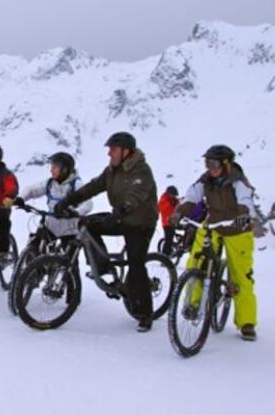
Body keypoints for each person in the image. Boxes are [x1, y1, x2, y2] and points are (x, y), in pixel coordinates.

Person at [56, 132, 159, 332]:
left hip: (140, 223)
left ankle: (145, 314)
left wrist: (123, 209)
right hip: (120, 217)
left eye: (112, 149)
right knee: (86, 225)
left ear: (125, 151)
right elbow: (92, 187)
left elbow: (136, 195)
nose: (109, 154)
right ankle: (102, 269)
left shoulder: (141, 170)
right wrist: (68, 200)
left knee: (136, 266)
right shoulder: (112, 170)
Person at [172, 144, 259, 341]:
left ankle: (246, 322)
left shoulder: (238, 182)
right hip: (213, 226)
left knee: (241, 276)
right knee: (196, 261)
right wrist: (179, 212)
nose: (209, 168)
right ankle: (193, 304)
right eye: (206, 163)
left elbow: (246, 202)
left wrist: (243, 216)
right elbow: (192, 197)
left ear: (227, 164)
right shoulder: (206, 180)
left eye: (213, 164)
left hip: (237, 230)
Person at [4, 151, 92, 238]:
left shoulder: (76, 184)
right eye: (51, 166)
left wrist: (75, 212)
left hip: (69, 230)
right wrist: (20, 198)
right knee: (33, 246)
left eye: (54, 167)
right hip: (51, 226)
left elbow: (88, 204)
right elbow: (31, 190)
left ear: (64, 169)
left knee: (67, 251)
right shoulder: (50, 183)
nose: (51, 170)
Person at [158, 185, 180, 256]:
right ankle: (164, 256)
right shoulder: (163, 199)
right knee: (168, 240)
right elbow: (161, 208)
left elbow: (178, 205)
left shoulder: (174, 200)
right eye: (173, 195)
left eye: (174, 195)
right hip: (167, 223)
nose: (174, 196)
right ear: (168, 193)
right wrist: (172, 203)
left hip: (174, 221)